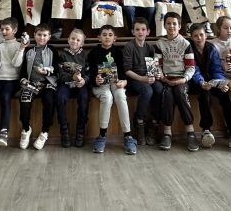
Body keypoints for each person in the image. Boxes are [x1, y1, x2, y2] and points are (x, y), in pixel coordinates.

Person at [188, 23, 231, 153]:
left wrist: (221, 83)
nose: (199, 38)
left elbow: (216, 69)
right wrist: (201, 82)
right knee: (204, 94)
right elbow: (193, 69)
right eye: (195, 36)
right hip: (196, 82)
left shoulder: (211, 48)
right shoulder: (189, 49)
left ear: (206, 35)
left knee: (226, 94)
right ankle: (206, 130)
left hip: (212, 81)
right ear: (192, 37)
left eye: (201, 35)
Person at [88, 25, 137, 154]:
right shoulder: (93, 53)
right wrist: (95, 79)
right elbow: (90, 74)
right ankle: (102, 135)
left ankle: (128, 136)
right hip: (101, 85)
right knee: (107, 97)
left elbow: (123, 72)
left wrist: (124, 81)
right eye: (104, 35)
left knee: (120, 95)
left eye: (110, 35)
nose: (107, 37)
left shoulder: (118, 52)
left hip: (116, 83)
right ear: (99, 38)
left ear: (115, 38)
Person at [154, 12, 199, 152]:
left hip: (182, 78)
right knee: (167, 95)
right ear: (164, 25)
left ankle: (190, 132)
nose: (171, 26)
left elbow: (191, 67)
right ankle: (167, 133)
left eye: (174, 23)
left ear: (179, 26)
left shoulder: (185, 44)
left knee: (180, 92)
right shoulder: (159, 44)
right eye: (168, 23)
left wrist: (183, 79)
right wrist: (162, 78)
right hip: (166, 79)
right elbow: (157, 65)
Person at [0, 17, 26, 151]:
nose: (3, 32)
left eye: (6, 29)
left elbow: (16, 64)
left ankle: (4, 132)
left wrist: (21, 49)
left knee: (5, 97)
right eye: (2, 29)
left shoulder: (19, 45)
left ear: (14, 30)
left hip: (12, 79)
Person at [19, 25, 60, 151]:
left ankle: (45, 131)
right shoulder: (29, 51)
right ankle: (26, 129)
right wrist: (23, 79)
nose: (42, 37)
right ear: (34, 35)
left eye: (45, 35)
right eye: (39, 35)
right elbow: (23, 69)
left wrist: (46, 71)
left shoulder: (52, 50)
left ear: (49, 37)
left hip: (48, 82)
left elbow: (57, 69)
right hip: (32, 83)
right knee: (24, 100)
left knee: (49, 99)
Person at [123, 17, 163, 145]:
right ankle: (139, 121)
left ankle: (154, 123)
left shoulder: (150, 48)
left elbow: (153, 67)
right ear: (133, 31)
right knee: (147, 91)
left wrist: (155, 75)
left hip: (147, 77)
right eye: (137, 29)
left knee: (159, 88)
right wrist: (142, 79)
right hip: (134, 78)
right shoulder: (129, 47)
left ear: (148, 32)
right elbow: (127, 70)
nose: (140, 32)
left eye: (143, 29)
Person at [56, 29, 90, 148]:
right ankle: (64, 129)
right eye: (73, 38)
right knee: (60, 98)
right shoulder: (62, 55)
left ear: (82, 43)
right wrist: (72, 77)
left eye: (78, 40)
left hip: (80, 85)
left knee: (84, 99)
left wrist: (84, 80)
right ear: (68, 40)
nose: (75, 41)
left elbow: (89, 73)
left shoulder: (85, 56)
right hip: (66, 84)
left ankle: (80, 130)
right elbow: (60, 75)